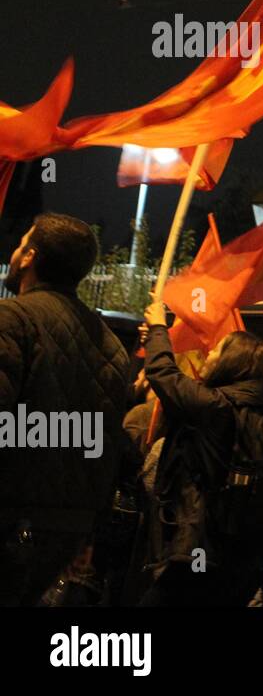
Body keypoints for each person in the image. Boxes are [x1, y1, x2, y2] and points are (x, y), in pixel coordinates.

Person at [0, 214, 132, 606]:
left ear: (30, 258)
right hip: (66, 535)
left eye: (21, 244)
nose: (15, 251)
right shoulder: (111, 346)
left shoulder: (13, 319)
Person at [137, 303, 263, 606]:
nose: (209, 356)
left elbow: (163, 375)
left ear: (233, 364)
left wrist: (158, 329)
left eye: (218, 351)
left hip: (202, 549)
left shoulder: (216, 408)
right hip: (246, 553)